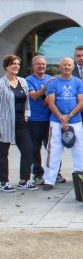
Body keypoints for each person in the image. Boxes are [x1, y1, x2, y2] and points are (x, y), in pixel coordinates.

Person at [43, 57, 83, 191]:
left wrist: (69, 116)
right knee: (54, 150)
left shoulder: (78, 82)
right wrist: (61, 117)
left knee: (79, 149)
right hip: (56, 122)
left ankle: (80, 176)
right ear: (60, 67)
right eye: (64, 65)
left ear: (73, 67)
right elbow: (50, 102)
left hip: (75, 121)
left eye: (69, 65)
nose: (67, 67)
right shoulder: (53, 82)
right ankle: (49, 180)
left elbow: (81, 102)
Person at [0, 54, 36, 192]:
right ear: (6, 67)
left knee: (28, 149)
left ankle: (24, 180)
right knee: (3, 153)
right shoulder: (1, 84)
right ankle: (4, 181)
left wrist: (27, 114)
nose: (16, 66)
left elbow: (27, 101)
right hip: (5, 122)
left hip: (21, 121)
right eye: (13, 63)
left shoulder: (22, 81)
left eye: (18, 64)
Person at [26, 55, 60, 185]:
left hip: (50, 119)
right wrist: (46, 87)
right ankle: (38, 174)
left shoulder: (50, 79)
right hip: (34, 120)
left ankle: (55, 172)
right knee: (35, 149)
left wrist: (49, 99)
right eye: (38, 64)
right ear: (33, 66)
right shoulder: (28, 80)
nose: (41, 66)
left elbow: (54, 97)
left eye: (43, 64)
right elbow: (34, 96)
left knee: (52, 148)